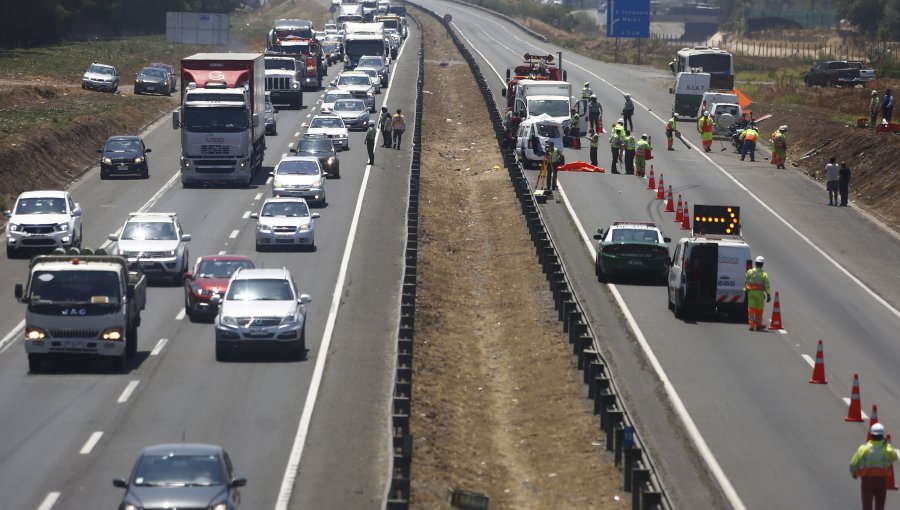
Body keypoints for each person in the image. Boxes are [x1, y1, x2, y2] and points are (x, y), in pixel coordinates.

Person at [850, 423, 898, 510]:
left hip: (867, 481)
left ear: (871, 435)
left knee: (867, 506)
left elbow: (853, 464)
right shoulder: (886, 450)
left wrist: (854, 474)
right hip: (881, 482)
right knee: (880, 507)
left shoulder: (863, 449)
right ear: (882, 436)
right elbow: (894, 456)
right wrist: (887, 445)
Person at [745, 255, 771, 331]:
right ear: (762, 264)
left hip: (751, 293)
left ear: (755, 263)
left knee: (751, 310)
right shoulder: (764, 274)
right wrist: (768, 294)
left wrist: (745, 290)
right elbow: (767, 285)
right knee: (759, 310)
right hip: (759, 294)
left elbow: (746, 282)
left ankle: (751, 326)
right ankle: (758, 325)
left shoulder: (749, 272)